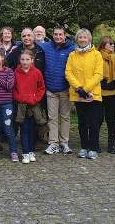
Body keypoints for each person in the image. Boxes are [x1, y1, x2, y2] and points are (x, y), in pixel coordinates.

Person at [65, 28, 103, 160]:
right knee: (82, 123)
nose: (82, 39)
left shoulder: (97, 54)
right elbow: (68, 73)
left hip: (93, 94)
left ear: (89, 39)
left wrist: (85, 89)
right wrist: (79, 88)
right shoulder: (72, 55)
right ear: (77, 39)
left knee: (93, 123)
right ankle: (84, 147)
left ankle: (93, 148)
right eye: (80, 37)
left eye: (84, 37)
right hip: (78, 94)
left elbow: (98, 74)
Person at [39, 25, 75, 155]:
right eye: (56, 34)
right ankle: (53, 143)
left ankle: (64, 142)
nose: (58, 37)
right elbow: (32, 45)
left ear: (65, 35)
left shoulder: (72, 48)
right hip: (50, 89)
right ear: (52, 35)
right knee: (52, 118)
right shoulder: (46, 46)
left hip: (65, 88)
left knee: (65, 117)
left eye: (60, 34)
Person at [13, 50, 46, 164]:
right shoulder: (16, 72)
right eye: (22, 59)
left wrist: (35, 99)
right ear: (19, 60)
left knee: (32, 129)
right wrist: (20, 98)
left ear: (32, 60)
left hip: (34, 105)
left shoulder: (37, 72)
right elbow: (13, 89)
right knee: (24, 129)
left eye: (27, 59)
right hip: (21, 106)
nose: (25, 62)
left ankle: (31, 151)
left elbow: (41, 88)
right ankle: (25, 153)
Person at [98, 36, 115, 154]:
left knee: (111, 120)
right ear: (103, 45)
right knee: (98, 119)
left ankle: (111, 144)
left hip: (113, 92)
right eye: (110, 43)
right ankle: (95, 143)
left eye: (113, 43)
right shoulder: (97, 56)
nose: (113, 45)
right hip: (100, 92)